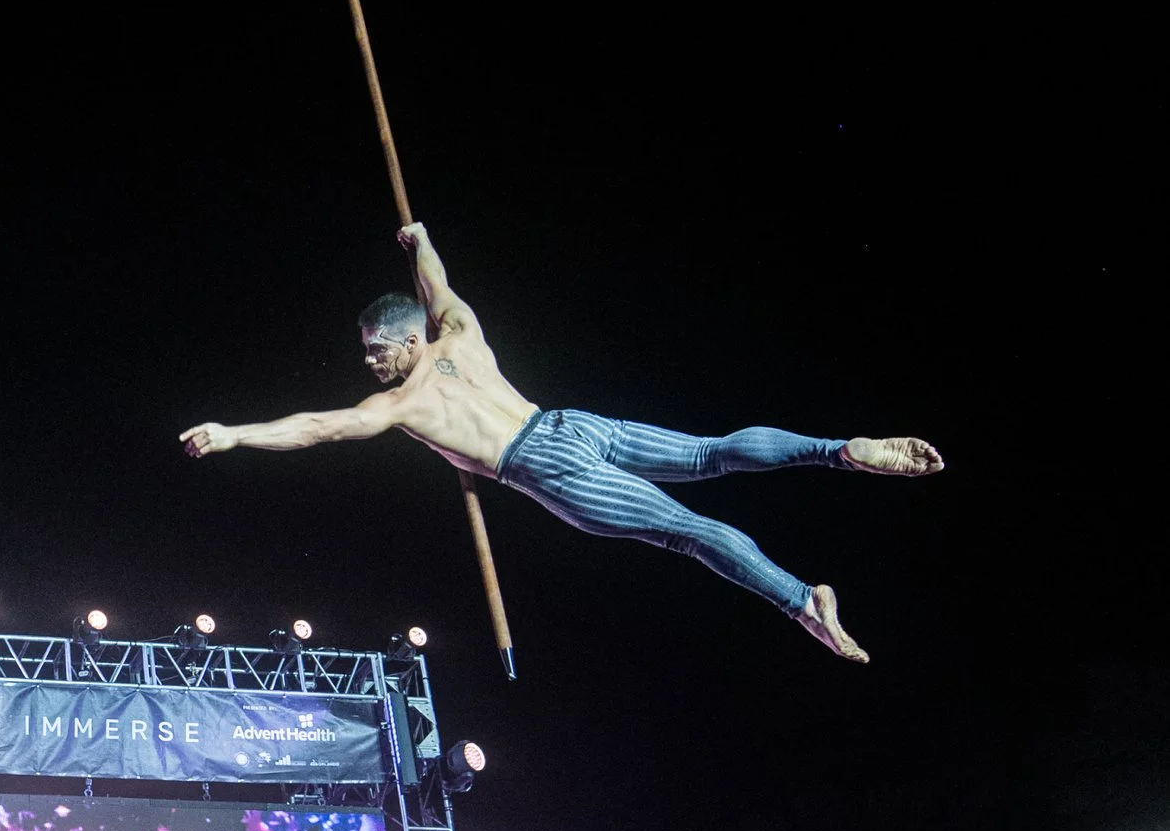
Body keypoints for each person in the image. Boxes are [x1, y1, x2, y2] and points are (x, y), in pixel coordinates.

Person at [179, 219, 941, 661]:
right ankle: (837, 449)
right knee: (712, 452)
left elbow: (318, 427)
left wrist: (233, 434)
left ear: (406, 344)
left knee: (688, 533)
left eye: (377, 349)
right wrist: (420, 242)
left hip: (541, 462)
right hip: (568, 421)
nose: (369, 361)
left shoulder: (403, 403)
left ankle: (802, 599)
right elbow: (437, 282)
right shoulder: (460, 331)